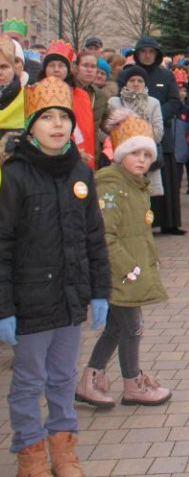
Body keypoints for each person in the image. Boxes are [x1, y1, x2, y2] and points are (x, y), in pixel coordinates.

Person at [0, 76, 110, 477]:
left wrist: (99, 291)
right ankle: (30, 455)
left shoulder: (80, 171)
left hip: (69, 297)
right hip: (29, 301)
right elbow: (3, 243)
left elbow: (94, 236)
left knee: (63, 376)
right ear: (31, 125)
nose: (57, 125)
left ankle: (63, 449)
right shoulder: (15, 175)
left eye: (63, 117)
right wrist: (4, 306)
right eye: (47, 117)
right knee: (30, 380)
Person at [75, 110, 172, 409]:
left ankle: (91, 378)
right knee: (133, 327)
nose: (142, 160)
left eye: (146, 153)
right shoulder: (112, 186)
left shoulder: (134, 185)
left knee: (117, 327)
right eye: (134, 153)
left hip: (130, 268)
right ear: (118, 155)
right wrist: (131, 267)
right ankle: (133, 384)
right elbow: (107, 235)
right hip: (120, 272)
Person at [132, 36, 182, 234]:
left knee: (166, 180)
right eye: (143, 51)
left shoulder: (166, 76)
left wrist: (156, 116)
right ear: (137, 54)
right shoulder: (129, 74)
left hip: (161, 135)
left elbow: (174, 101)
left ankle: (169, 222)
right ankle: (144, 222)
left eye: (151, 52)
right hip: (136, 136)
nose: (147, 55)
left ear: (156, 54)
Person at [38, 41, 97, 171]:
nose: (56, 70)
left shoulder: (80, 96)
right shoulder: (36, 94)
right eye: (51, 65)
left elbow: (85, 130)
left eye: (61, 65)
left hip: (78, 156)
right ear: (45, 69)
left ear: (68, 69)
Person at [108, 66, 165, 200]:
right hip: (121, 159)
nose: (136, 83)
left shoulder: (153, 103)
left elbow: (158, 133)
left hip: (146, 159)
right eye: (132, 80)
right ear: (126, 83)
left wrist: (138, 141)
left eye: (140, 81)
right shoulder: (114, 103)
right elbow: (105, 131)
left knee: (147, 200)